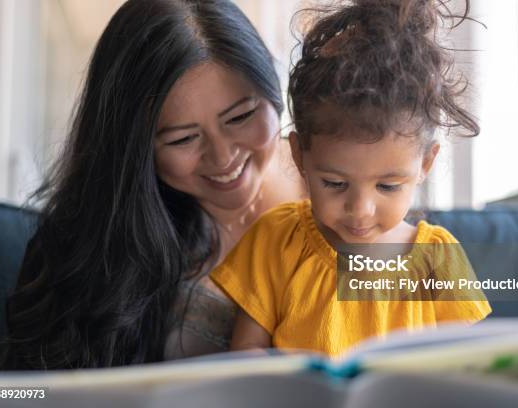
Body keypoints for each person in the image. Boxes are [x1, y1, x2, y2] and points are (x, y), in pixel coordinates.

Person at [0, 0, 303, 369]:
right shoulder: (87, 245)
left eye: (240, 117)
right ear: (134, 151)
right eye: (182, 139)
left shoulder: (353, 188)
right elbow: (15, 394)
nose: (223, 158)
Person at [210, 0, 491, 356]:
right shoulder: (276, 240)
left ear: (425, 163)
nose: (360, 210)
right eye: (335, 184)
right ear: (299, 155)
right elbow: (245, 361)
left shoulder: (439, 259)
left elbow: (467, 367)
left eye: (388, 186)